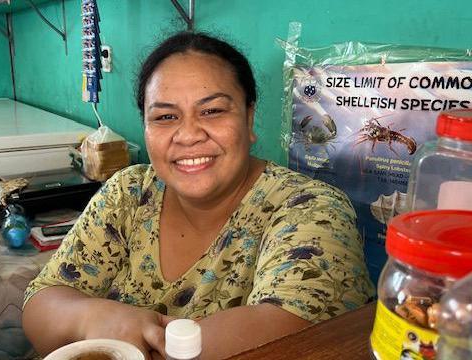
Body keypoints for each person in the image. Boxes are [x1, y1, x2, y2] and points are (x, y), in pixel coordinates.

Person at [22, 32, 375, 359]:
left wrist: (138, 343)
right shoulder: (128, 194)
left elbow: (295, 333)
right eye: (165, 116)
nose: (188, 134)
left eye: (212, 111)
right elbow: (42, 303)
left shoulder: (309, 208)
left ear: (249, 118)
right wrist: (93, 315)